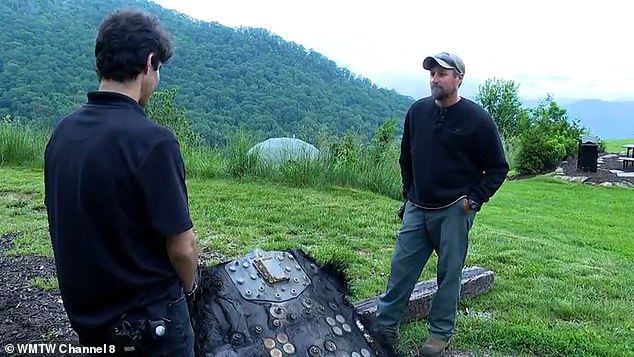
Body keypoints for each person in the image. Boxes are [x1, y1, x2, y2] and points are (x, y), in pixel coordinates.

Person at [44, 9, 199, 356]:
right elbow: (183, 248)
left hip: (90, 325)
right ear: (148, 63)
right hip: (150, 331)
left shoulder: (63, 134)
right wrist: (192, 290)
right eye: (158, 70)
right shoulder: (154, 142)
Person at [371, 52, 509, 356]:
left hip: (454, 211)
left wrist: (474, 200)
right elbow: (406, 158)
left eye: (442, 73)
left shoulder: (477, 119)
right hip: (418, 208)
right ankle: (385, 328)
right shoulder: (417, 112)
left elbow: (498, 167)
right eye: (432, 73)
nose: (435, 78)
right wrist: (409, 195)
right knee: (401, 270)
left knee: (449, 274)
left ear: (458, 79)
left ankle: (439, 334)